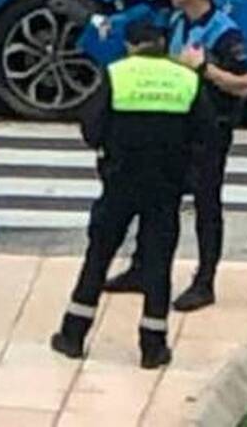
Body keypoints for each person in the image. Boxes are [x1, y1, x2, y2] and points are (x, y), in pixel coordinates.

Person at [51, 19, 214, 369]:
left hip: (120, 181)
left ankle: (73, 335)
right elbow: (206, 133)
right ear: (162, 44)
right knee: (158, 264)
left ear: (130, 45)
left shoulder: (117, 74)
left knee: (99, 256)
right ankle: (152, 347)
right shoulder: (186, 79)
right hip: (166, 185)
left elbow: (92, 129)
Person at [103, 0, 247, 312]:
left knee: (205, 203)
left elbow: (244, 85)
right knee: (154, 193)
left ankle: (205, 281)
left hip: (209, 127)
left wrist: (205, 70)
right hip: (174, 124)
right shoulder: (175, 22)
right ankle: (142, 267)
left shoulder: (224, 32)